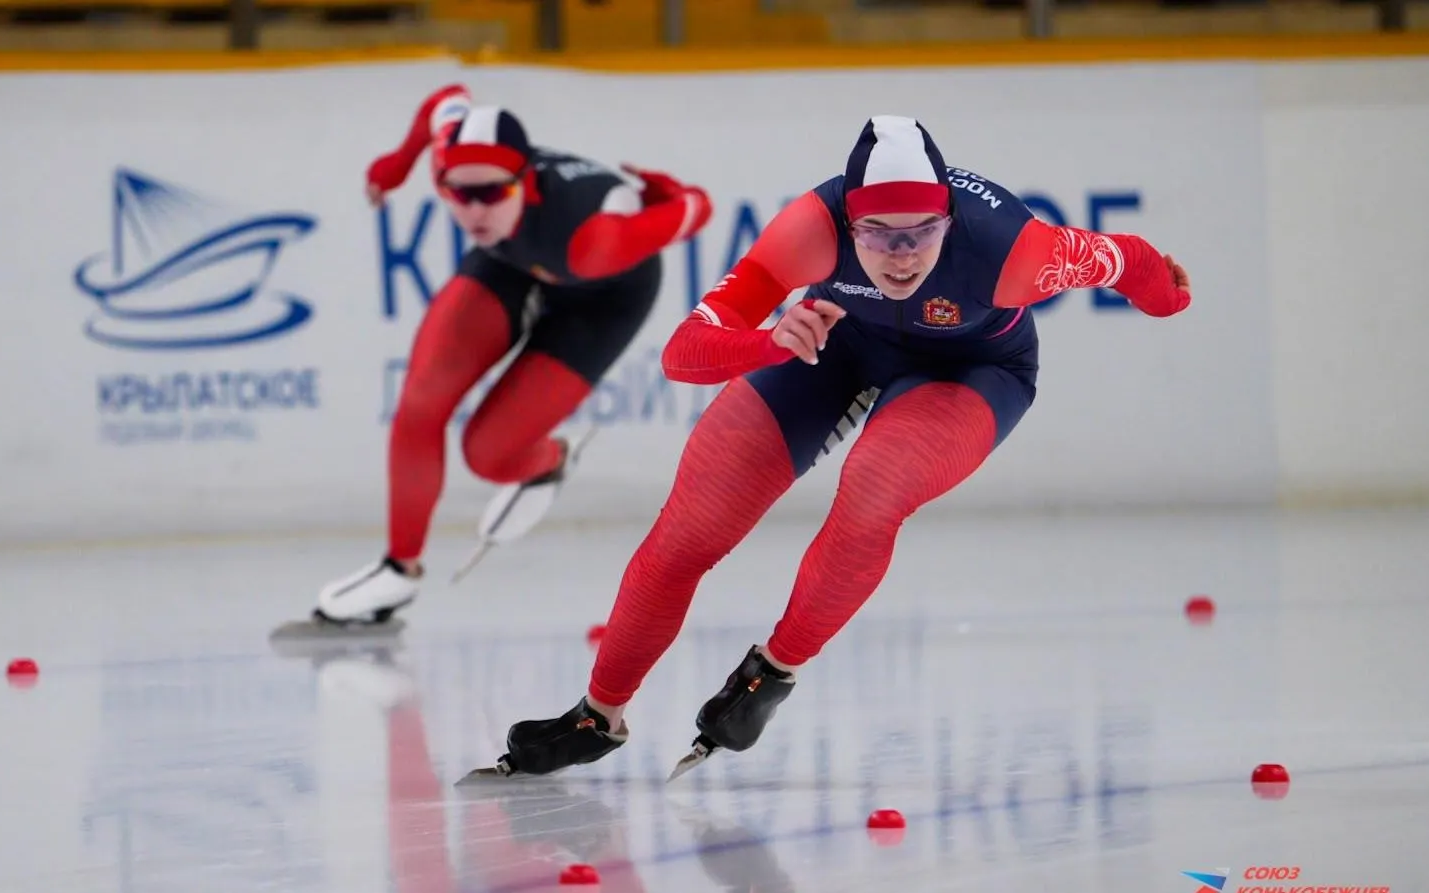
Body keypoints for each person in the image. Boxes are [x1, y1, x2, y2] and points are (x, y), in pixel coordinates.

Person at [478, 115, 1192, 779]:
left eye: (922, 232)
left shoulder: (1012, 249)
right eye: (879, 234)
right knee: (691, 525)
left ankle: (773, 670)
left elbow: (1123, 259)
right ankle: (595, 716)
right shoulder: (807, 229)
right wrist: (768, 339)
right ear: (847, 223)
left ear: (951, 216)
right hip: (831, 339)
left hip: (969, 370)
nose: (903, 255)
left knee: (874, 487)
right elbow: (680, 354)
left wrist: (1169, 295)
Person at [309, 84, 712, 627]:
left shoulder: (594, 240)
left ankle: (551, 460)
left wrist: (675, 194)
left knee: (489, 455)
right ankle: (397, 572)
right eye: (459, 194)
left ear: (525, 182)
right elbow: (445, 98)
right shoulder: (454, 161)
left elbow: (698, 209)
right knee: (421, 400)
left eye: (493, 194)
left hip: (605, 296)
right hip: (512, 263)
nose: (473, 211)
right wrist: (398, 165)